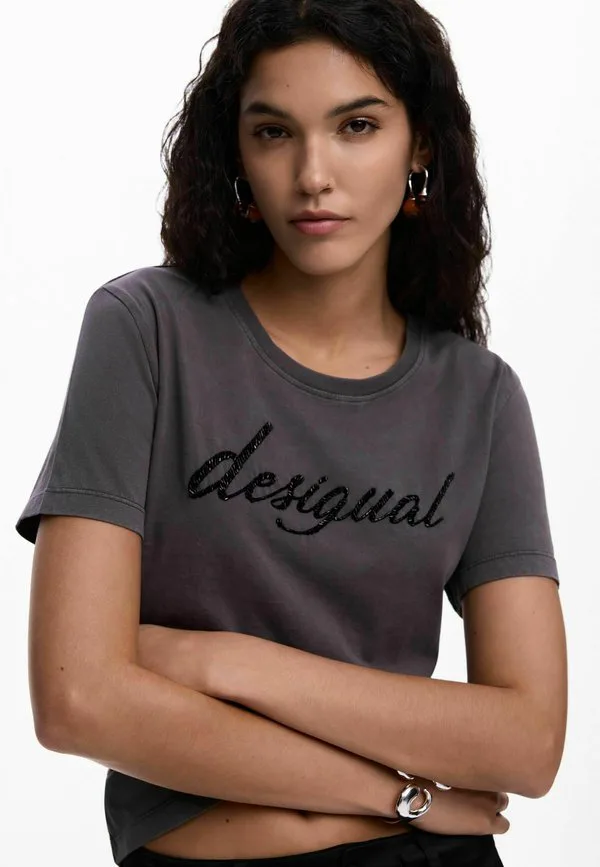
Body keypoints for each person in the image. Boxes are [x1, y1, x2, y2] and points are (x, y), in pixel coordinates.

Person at [15, 1, 567, 866]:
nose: (314, 175)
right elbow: (76, 699)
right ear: (236, 152)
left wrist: (227, 663)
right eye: (274, 132)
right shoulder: (147, 329)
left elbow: (528, 741)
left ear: (421, 146)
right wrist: (401, 793)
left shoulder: (480, 396)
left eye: (357, 126)